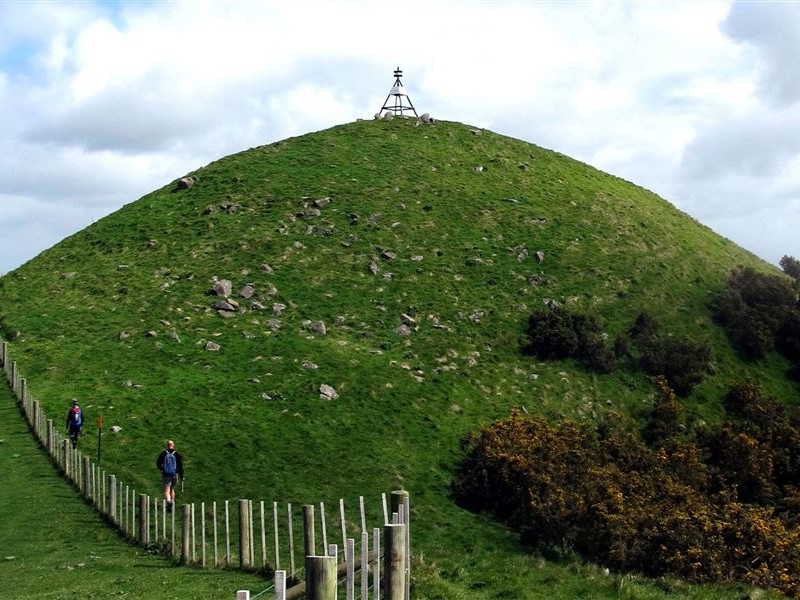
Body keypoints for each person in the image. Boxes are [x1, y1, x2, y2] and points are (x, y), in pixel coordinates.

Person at [155, 439, 184, 512]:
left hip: (166, 474)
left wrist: (162, 468)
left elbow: (158, 464)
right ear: (173, 445)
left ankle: (168, 502)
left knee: (167, 490)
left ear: (167, 446)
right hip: (175, 474)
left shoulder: (163, 453)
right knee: (172, 488)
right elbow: (180, 466)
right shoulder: (177, 454)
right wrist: (182, 476)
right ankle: (172, 502)